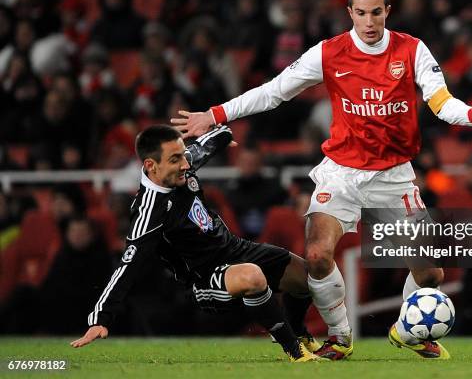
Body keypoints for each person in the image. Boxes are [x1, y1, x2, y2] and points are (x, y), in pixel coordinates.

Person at [172, 0, 472, 360]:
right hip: (341, 172)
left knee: (431, 275)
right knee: (317, 254)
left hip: (394, 175)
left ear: (388, 11)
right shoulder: (329, 52)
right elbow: (273, 91)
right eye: (360, 13)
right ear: (349, 12)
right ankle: (340, 336)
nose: (369, 23)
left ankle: (409, 331)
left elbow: (440, 101)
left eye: (376, 13)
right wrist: (215, 115)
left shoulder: (413, 50)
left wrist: (471, 114)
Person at [71, 125, 324, 362]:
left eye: (183, 156)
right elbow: (127, 266)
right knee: (253, 276)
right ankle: (295, 351)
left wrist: (223, 135)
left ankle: (299, 332)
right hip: (205, 278)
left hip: (235, 248)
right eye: (175, 160)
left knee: (310, 277)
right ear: (151, 165)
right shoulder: (150, 211)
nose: (185, 164)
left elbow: (208, 142)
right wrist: (100, 317)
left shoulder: (180, 166)